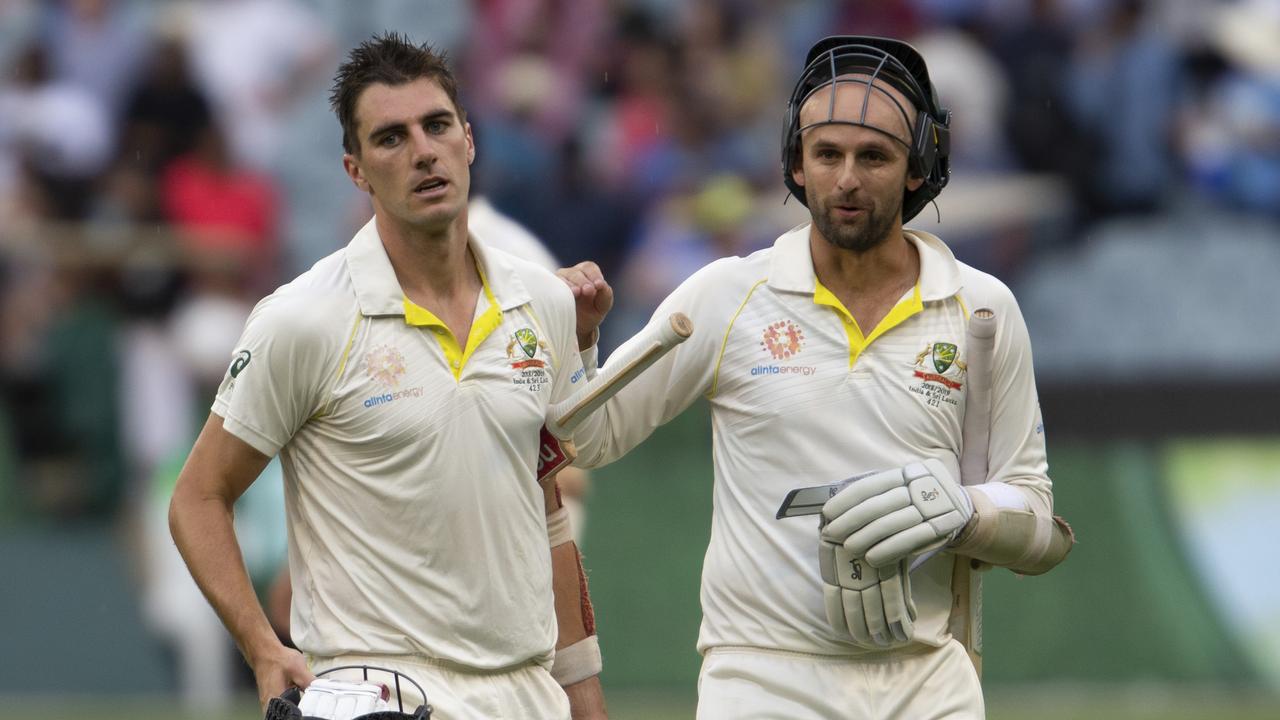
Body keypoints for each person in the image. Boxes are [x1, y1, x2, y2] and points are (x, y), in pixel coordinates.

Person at [559, 36, 1073, 719]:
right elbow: (588, 437)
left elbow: (1040, 528)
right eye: (826, 154)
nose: (847, 179)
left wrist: (964, 512)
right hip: (763, 679)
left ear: (918, 169)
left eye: (874, 157)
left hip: (928, 681)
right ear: (796, 165)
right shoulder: (728, 294)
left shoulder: (981, 309)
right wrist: (582, 337)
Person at [168, 33, 606, 719]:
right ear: (356, 170)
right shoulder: (302, 319)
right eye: (391, 138)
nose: (423, 151)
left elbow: (551, 519)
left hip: (527, 692)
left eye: (436, 126)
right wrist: (261, 645)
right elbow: (198, 498)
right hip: (380, 694)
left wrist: (583, 694)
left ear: (468, 139)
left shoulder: (543, 302)